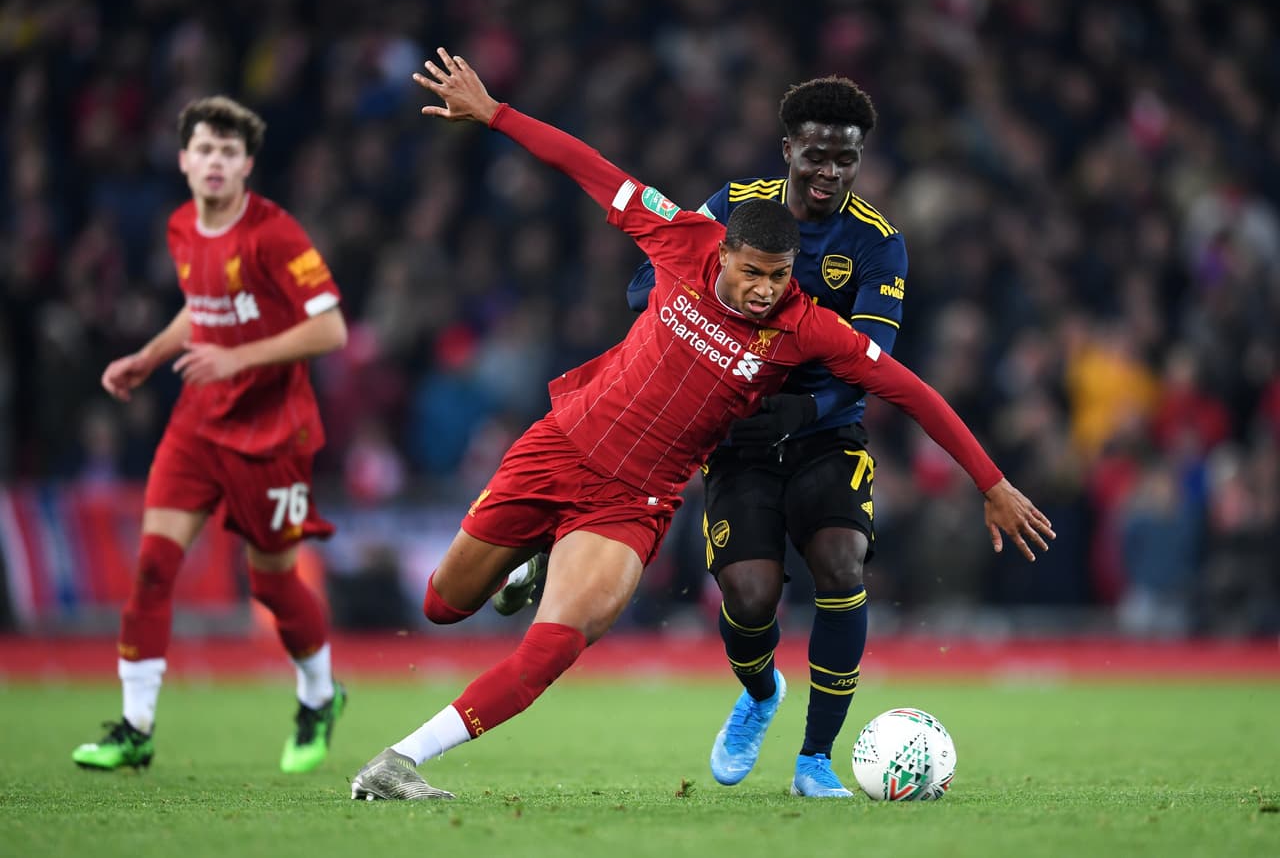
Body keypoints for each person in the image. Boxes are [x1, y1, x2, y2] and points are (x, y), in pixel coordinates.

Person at [349, 48, 1053, 802]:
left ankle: (398, 760)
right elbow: (588, 168)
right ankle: (532, 557)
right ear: (724, 250)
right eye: (752, 272)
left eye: (780, 278)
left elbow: (911, 390)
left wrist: (993, 481)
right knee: (442, 604)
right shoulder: (682, 237)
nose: (763, 291)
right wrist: (495, 114)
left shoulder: (810, 322)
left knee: (554, 645)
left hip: (635, 500)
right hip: (560, 442)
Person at [624, 77, 904, 796]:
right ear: (788, 149)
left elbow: (875, 361)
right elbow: (644, 282)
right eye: (816, 154)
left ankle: (815, 758)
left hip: (826, 432)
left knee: (842, 564)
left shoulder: (878, 244)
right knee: (749, 598)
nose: (830, 173)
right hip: (740, 432)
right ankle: (759, 691)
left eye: (846, 159)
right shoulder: (728, 207)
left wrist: (805, 411)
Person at [72, 96, 350, 774]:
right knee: (153, 565)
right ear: (184, 160)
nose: (216, 162)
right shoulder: (179, 227)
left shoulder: (274, 233)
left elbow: (331, 328)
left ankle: (319, 694)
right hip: (198, 424)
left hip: (272, 434)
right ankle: (135, 725)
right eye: (205, 149)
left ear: (247, 164)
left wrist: (237, 357)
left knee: (272, 584)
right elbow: (201, 310)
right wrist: (148, 355)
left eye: (229, 152)